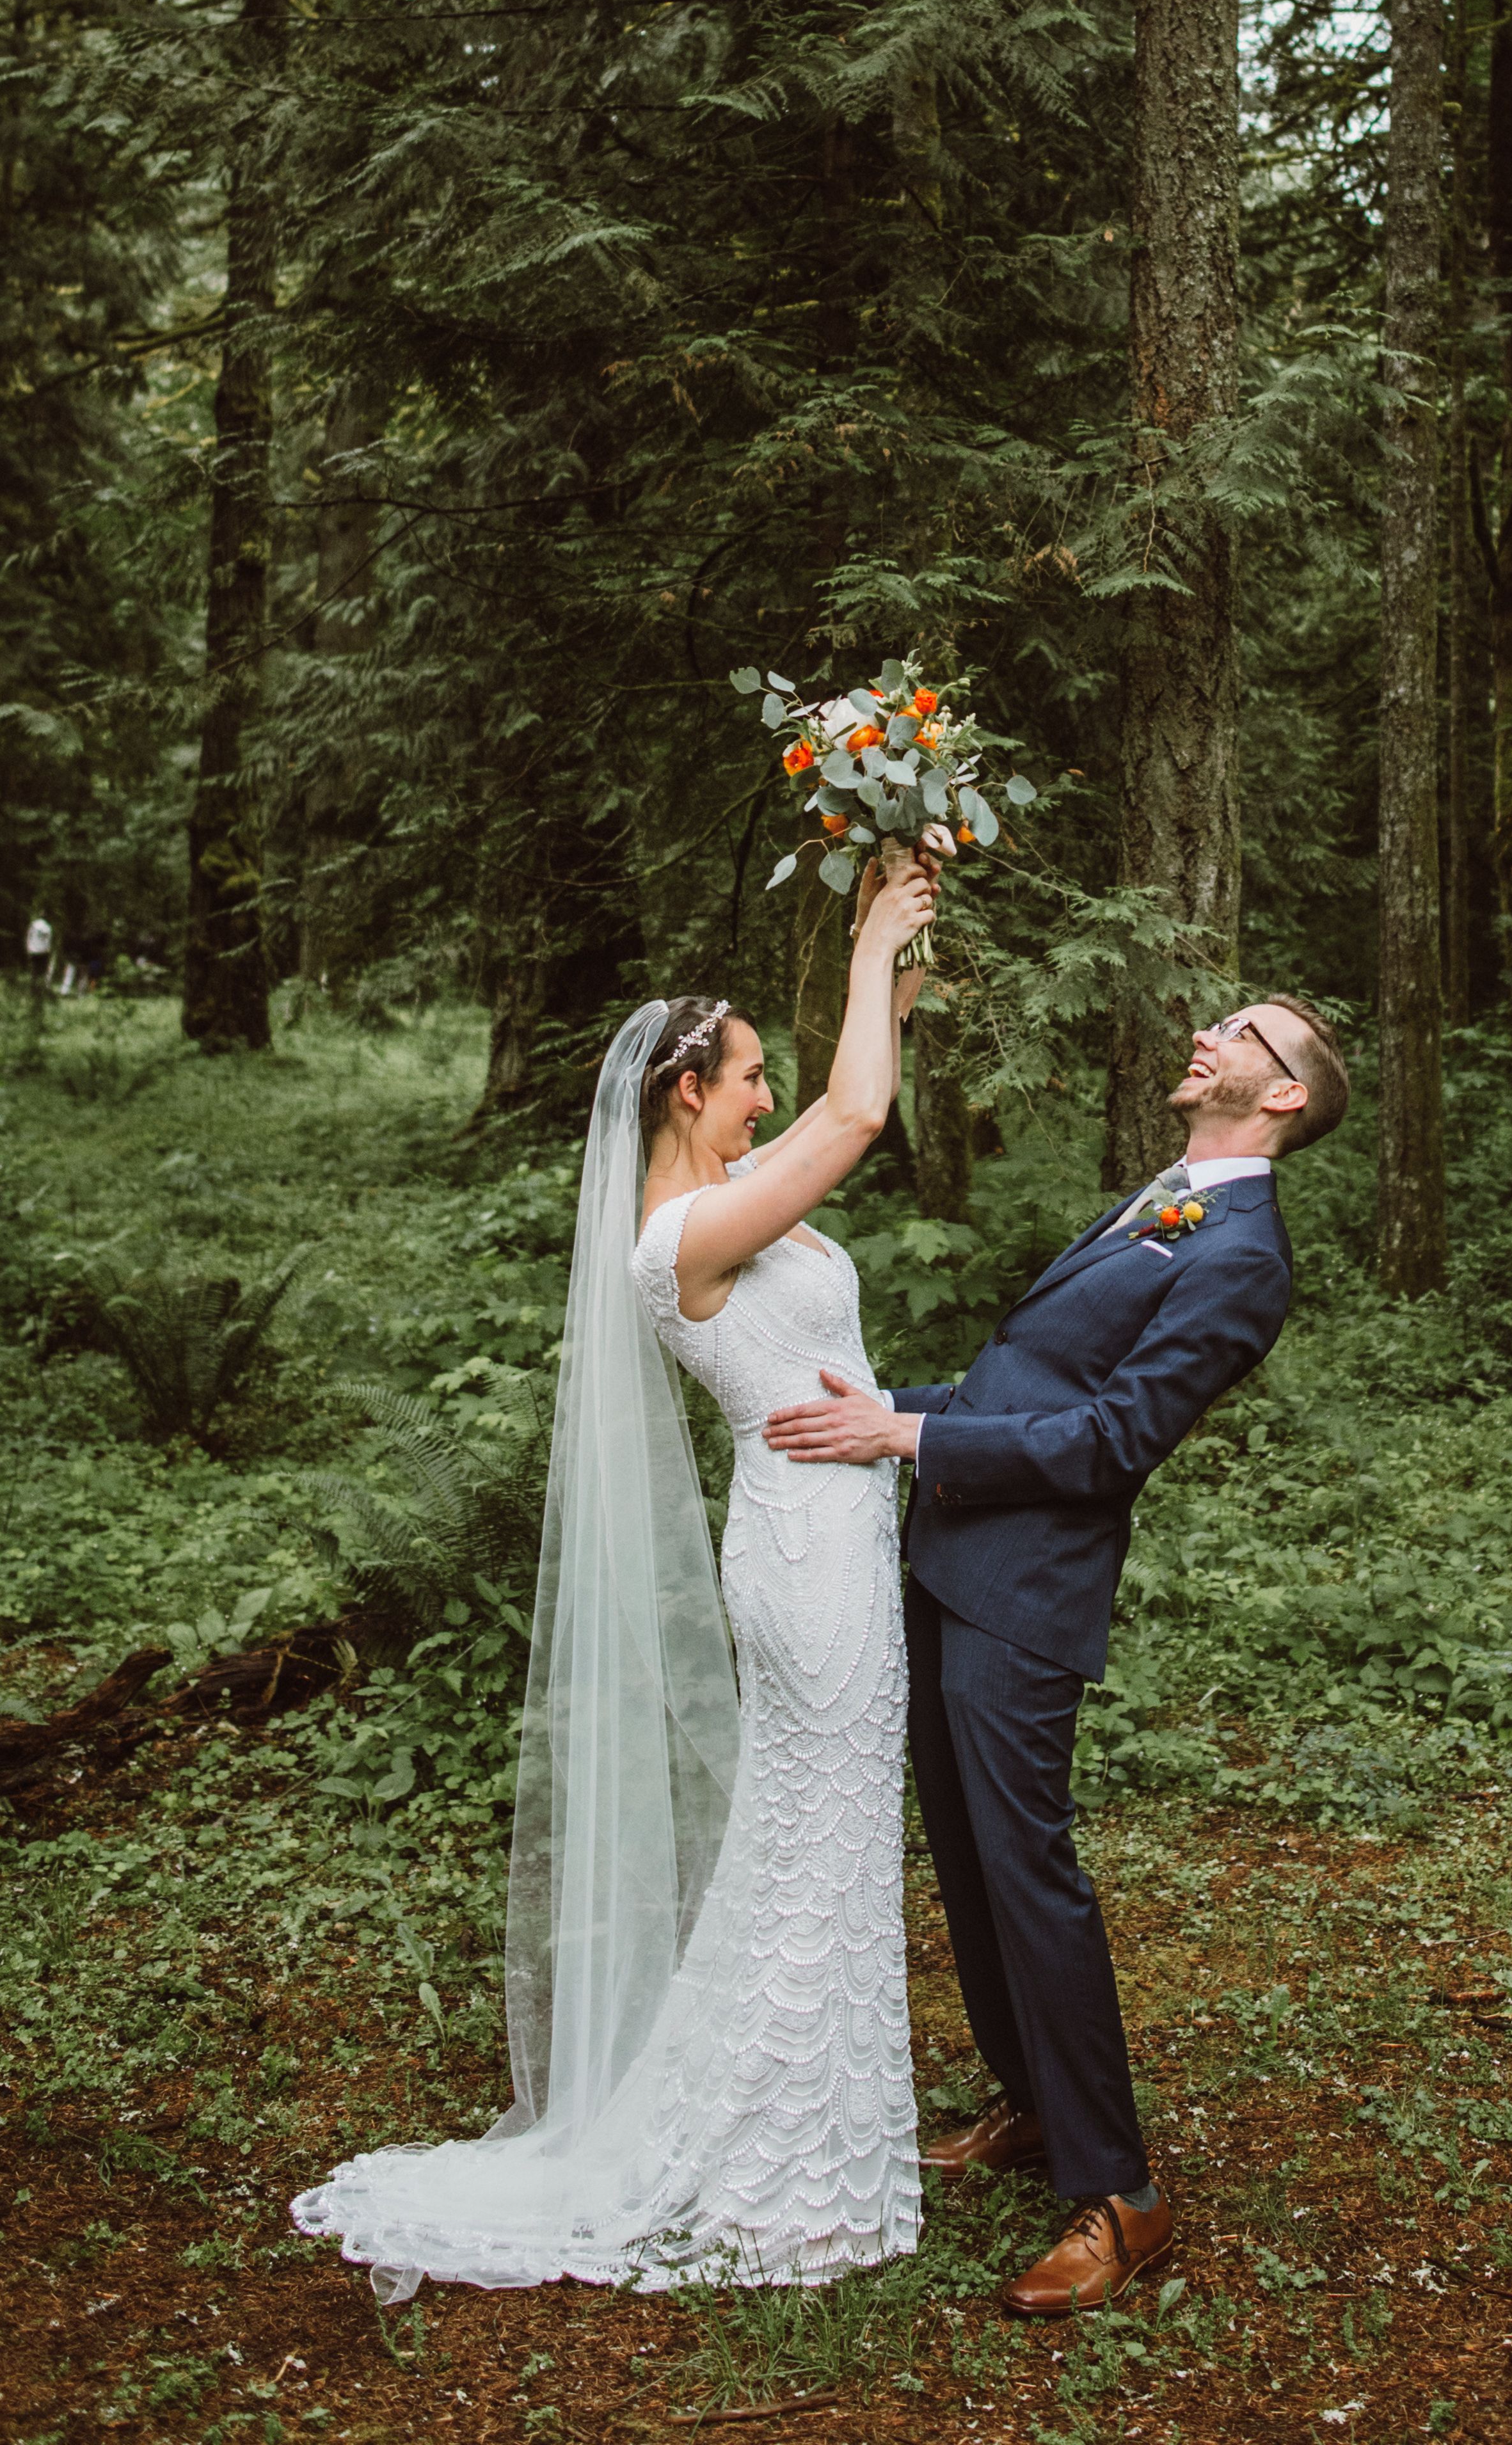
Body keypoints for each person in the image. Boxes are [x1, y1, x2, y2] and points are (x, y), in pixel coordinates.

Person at [292, 850, 937, 2295]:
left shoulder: (731, 1189)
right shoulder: (682, 1240)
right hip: (803, 1557)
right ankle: (784, 2183)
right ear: (681, 1095)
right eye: (745, 1078)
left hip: (831, 1535)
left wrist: (891, 941)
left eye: (767, 1076)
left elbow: (836, 1104)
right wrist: (867, 946)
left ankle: (807, 2144)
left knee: (816, 1849)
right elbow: (862, 1109)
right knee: (813, 1859)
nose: (766, 1098)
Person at [765, 992, 1348, 2316]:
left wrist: (906, 1448)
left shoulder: (1242, 1253)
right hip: (948, 1550)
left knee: (1027, 1869)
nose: (1205, 1035)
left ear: (1282, 1099)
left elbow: (1108, 1442)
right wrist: (898, 1408)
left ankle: (1122, 2195)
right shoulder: (1162, 1196)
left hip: (1024, 1594)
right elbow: (1029, 1376)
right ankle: (1029, 2106)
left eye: (1240, 1035)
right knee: (967, 1856)